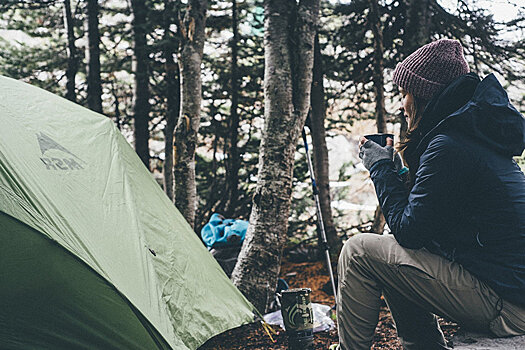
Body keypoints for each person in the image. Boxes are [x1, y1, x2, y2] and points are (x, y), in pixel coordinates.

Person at [336, 39, 525, 349]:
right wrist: (398, 173)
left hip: (509, 306)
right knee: (392, 255)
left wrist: (380, 170)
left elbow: (411, 232)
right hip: (511, 291)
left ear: (425, 96)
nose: (401, 104)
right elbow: (426, 223)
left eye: (405, 94)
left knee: (358, 251)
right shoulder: (471, 136)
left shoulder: (449, 145)